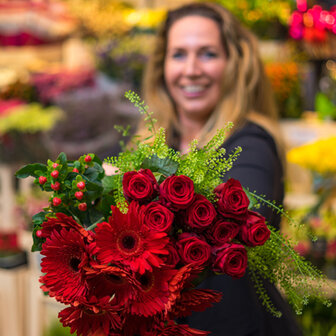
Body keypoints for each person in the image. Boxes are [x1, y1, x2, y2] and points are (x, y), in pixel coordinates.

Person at [137, 2, 303, 335]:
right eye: (179, 54)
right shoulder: (151, 144)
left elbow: (241, 223)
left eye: (208, 54)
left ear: (233, 65)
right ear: (162, 66)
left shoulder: (250, 141)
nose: (191, 69)